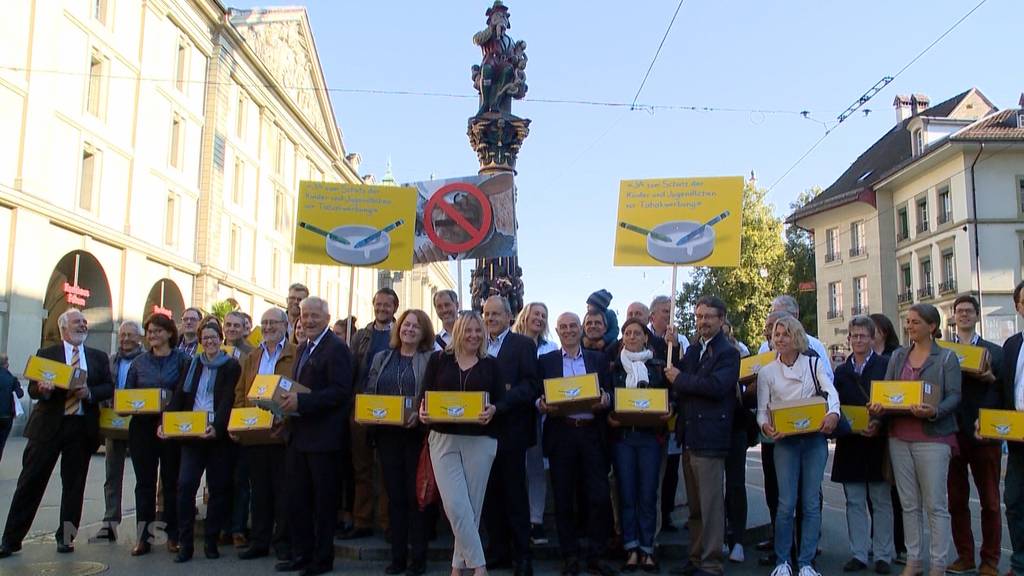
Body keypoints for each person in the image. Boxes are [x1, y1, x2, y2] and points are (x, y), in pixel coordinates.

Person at [0, 309, 113, 558]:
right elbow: (33, 390)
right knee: (30, 482)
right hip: (48, 427)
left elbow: (108, 386)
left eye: (84, 322)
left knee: (74, 486)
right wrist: (44, 389)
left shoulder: (97, 357)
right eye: (77, 322)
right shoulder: (47, 354)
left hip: (81, 427)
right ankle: (11, 539)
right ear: (64, 327)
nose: (83, 325)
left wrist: (90, 393)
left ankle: (66, 537)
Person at [868, 303, 961, 576]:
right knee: (909, 504)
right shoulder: (898, 356)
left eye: (915, 322)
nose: (909, 326)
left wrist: (935, 411)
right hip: (899, 437)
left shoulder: (946, 358)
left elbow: (955, 396)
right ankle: (914, 561)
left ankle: (939, 564)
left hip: (933, 438)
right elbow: (886, 391)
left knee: (935, 505)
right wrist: (877, 409)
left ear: (931, 326)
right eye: (907, 322)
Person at [418, 311, 502, 576]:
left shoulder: (491, 364)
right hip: (443, 438)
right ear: (458, 331)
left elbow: (500, 400)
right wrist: (423, 411)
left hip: (480, 441)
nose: (474, 336)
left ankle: (457, 567)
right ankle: (479, 566)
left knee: (470, 507)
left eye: (479, 331)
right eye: (469, 330)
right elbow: (425, 395)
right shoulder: (439, 360)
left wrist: (494, 410)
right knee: (455, 504)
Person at [757, 315, 840, 576]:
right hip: (785, 442)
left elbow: (831, 392)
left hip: (814, 439)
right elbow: (761, 410)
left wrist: (833, 413)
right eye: (776, 335)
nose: (779, 339)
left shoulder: (813, 363)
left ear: (797, 337)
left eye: (785, 334)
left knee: (811, 502)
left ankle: (806, 561)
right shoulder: (767, 372)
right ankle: (783, 560)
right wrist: (765, 426)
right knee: (786, 503)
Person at [275, 296, 352, 576]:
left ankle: (321, 560)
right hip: (298, 437)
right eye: (304, 316)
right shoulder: (303, 348)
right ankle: (301, 555)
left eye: (314, 316)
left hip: (324, 440)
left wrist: (301, 403)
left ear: (327, 319)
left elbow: (340, 392)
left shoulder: (337, 349)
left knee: (323, 504)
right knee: (298, 501)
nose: (307, 321)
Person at [665, 296, 741, 576]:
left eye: (708, 316)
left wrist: (680, 380)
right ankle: (696, 557)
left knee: (711, 507)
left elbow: (716, 386)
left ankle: (711, 563)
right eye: (698, 317)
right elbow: (676, 374)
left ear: (721, 320)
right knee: (695, 507)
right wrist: (669, 342)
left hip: (711, 437)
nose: (703, 321)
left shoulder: (728, 353)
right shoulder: (695, 349)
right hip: (690, 435)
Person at [537, 312, 616, 576]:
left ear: (580, 329)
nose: (569, 330)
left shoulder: (598, 359)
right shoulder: (546, 361)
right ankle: (569, 555)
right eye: (563, 327)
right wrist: (541, 404)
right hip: (562, 434)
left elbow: (609, 391)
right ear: (557, 332)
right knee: (563, 498)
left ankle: (596, 554)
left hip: (591, 433)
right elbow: (537, 395)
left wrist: (605, 399)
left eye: (573, 326)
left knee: (598, 496)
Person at [160, 322, 240, 562]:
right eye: (205, 337)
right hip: (192, 435)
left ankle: (211, 541)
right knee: (185, 487)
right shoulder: (193, 363)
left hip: (217, 436)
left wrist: (216, 429)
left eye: (213, 337)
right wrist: (166, 422)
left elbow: (227, 400)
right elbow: (180, 396)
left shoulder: (231, 365)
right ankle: (186, 544)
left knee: (218, 489)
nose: (209, 341)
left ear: (220, 338)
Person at [365, 309, 436, 575]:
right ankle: (397, 558)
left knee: (416, 497)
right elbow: (371, 391)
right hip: (387, 435)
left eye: (416, 326)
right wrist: (368, 413)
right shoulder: (382, 357)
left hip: (416, 435)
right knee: (394, 497)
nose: (409, 329)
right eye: (406, 325)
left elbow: (433, 393)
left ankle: (418, 559)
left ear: (424, 332)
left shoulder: (430, 359)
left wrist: (419, 415)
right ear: (399, 328)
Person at [481, 295, 541, 576]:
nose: (490, 319)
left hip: (511, 431)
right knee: (490, 496)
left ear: (508, 316)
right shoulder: (477, 343)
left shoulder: (523, 345)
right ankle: (498, 552)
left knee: (515, 495)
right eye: (486, 314)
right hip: (482, 432)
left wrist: (501, 405)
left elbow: (531, 385)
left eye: (495, 314)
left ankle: (522, 557)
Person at [125, 313, 191, 556]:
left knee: (172, 483)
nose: (152, 335)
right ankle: (144, 538)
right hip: (142, 427)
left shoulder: (183, 359)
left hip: (172, 427)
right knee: (144, 484)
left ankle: (173, 536)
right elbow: (127, 395)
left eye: (157, 331)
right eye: (150, 331)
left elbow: (187, 392)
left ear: (169, 333)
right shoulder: (139, 363)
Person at [831, 316, 893, 575]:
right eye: (854, 336)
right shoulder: (841, 372)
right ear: (849, 339)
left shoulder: (885, 366)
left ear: (872, 338)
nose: (858, 340)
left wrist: (879, 422)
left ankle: (883, 555)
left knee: (880, 501)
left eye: (863, 336)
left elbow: (892, 400)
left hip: (876, 441)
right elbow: (834, 405)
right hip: (850, 443)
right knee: (854, 501)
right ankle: (858, 553)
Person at [946, 295, 1004, 576]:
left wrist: (990, 378)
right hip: (953, 434)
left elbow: (1002, 392)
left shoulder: (995, 351)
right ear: (954, 317)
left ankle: (990, 560)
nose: (964, 315)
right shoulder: (944, 353)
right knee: (956, 501)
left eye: (969, 311)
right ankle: (965, 556)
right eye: (960, 312)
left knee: (991, 502)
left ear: (977, 316)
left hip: (985, 435)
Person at [233, 308, 294, 561]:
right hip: (255, 431)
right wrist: (238, 420)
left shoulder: (295, 354)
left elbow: (301, 390)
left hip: (282, 432)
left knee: (283, 491)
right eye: (264, 323)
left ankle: (282, 542)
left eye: (273, 322)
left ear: (284, 325)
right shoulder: (253, 356)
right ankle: (259, 541)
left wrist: (288, 420)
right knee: (259, 491)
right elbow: (240, 391)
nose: (268, 327)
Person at [609, 318, 668, 572]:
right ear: (623, 338)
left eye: (637, 333)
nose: (632, 337)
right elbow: (609, 398)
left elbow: (669, 397)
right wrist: (610, 415)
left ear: (646, 337)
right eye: (627, 333)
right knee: (627, 494)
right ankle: (631, 548)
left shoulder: (657, 367)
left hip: (649, 438)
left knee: (647, 493)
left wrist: (669, 409)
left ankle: (647, 549)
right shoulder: (614, 368)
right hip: (623, 438)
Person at [346, 287, 399, 540]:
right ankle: (362, 520)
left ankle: (388, 522)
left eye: (386, 305)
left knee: (387, 467)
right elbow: (352, 370)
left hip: (391, 408)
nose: (381, 309)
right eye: (378, 304)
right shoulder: (360, 337)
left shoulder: (401, 333)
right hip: (361, 406)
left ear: (394, 308)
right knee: (361, 467)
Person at [91, 320, 145, 543]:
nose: (126, 339)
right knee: (112, 474)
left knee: (144, 476)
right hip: (114, 422)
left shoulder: (147, 360)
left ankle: (145, 527)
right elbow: (103, 385)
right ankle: (110, 522)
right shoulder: (111, 360)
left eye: (130, 335)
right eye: (123, 335)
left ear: (139, 338)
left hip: (139, 422)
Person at [512, 301, 556, 545]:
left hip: (542, 414)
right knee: (515, 468)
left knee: (537, 469)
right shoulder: (512, 342)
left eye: (543, 315)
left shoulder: (550, 347)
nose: (539, 318)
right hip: (517, 414)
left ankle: (536, 520)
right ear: (525, 316)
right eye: (535, 313)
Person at [869, 312, 905, 563]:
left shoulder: (897, 356)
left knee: (894, 493)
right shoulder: (866, 359)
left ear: (882, 331)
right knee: (875, 491)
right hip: (871, 431)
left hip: (891, 429)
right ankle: (879, 541)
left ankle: (899, 545)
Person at [996, 281, 1024, 576]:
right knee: (1014, 502)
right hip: (1018, 439)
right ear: (1017, 307)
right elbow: (1005, 388)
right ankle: (1019, 563)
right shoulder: (1013, 344)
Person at [758, 295, 833, 379]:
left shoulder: (814, 347)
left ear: (795, 316)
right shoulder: (764, 349)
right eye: (773, 314)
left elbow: (827, 378)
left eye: (781, 316)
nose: (777, 322)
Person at [0, 353, 24, 464]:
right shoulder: (11, 378)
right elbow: (20, 394)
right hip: (6, 416)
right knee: (1, 442)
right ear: (6, 364)